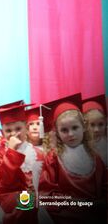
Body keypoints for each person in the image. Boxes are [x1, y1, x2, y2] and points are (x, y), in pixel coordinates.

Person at [39, 93, 107, 223]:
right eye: (64, 130)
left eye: (75, 128)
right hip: (67, 214)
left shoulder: (94, 157)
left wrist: (102, 202)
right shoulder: (53, 158)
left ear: (84, 127)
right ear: (57, 133)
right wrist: (74, 203)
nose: (71, 134)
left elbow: (105, 185)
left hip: (95, 213)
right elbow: (46, 193)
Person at [0, 103, 44, 224]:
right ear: (2, 132)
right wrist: (12, 151)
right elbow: (4, 181)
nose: (14, 134)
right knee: (24, 208)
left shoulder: (37, 153)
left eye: (18, 129)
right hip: (9, 201)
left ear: (26, 127)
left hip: (35, 201)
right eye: (8, 130)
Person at [82, 94, 107, 166]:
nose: (97, 130)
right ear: (85, 126)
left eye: (101, 124)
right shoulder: (83, 145)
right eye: (92, 125)